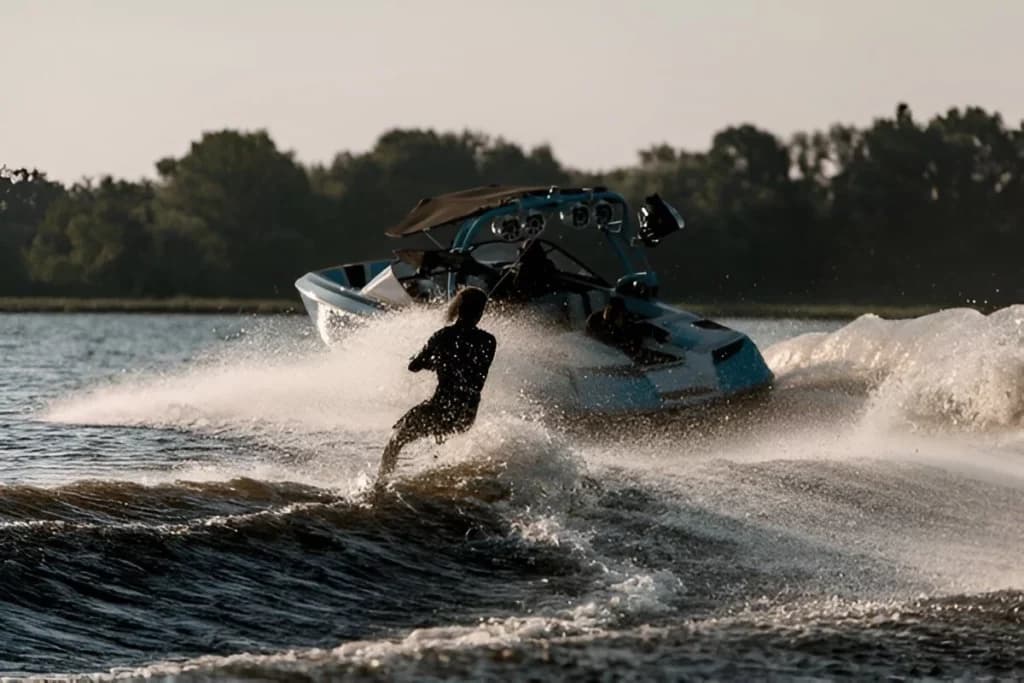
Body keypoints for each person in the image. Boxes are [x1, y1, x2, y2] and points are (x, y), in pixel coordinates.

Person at [378, 286, 497, 479]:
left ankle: (381, 483)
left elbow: (414, 366)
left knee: (396, 439)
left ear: (459, 309)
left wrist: (432, 362)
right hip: (466, 415)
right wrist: (441, 363)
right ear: (480, 312)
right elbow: (471, 369)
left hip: (441, 409)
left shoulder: (443, 336)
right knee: (441, 437)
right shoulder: (489, 341)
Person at [586, 297, 671, 363]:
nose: (620, 316)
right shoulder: (595, 320)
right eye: (618, 314)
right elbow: (597, 338)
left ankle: (656, 347)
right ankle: (641, 356)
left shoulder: (623, 318)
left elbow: (637, 328)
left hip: (623, 341)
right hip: (604, 346)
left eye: (620, 314)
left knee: (637, 329)